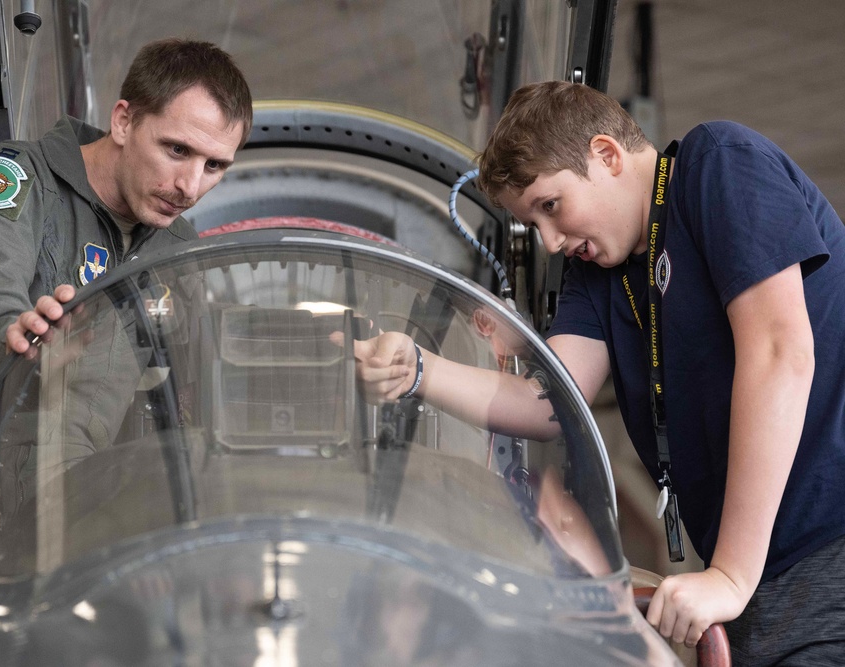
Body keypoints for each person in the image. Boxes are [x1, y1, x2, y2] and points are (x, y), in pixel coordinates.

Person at [351, 80, 845, 665]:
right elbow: (548, 402)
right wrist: (419, 369)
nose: (552, 241)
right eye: (534, 224)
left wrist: (732, 575)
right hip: (758, 579)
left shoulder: (718, 166)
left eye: (550, 207)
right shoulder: (602, 275)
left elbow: (781, 352)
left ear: (607, 155)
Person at [0, 38, 252, 665]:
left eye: (215, 165)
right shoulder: (11, 181)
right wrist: (15, 337)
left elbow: (184, 416)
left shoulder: (178, 253)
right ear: (123, 120)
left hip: (57, 555)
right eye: (177, 149)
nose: (189, 185)